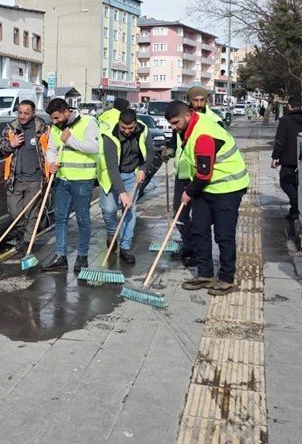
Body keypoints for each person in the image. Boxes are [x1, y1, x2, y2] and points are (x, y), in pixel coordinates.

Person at [165, 100, 249, 296]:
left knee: (223, 234)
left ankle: (226, 279)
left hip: (228, 187)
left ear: (188, 115)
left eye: (176, 123)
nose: (173, 128)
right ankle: (205, 274)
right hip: (207, 187)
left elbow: (204, 173)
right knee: (199, 229)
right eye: (171, 124)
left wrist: (188, 192)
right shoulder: (190, 126)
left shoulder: (203, 133)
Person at [163, 86, 222, 266]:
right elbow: (176, 141)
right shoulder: (181, 118)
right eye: (195, 100)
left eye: (201, 100)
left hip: (204, 176)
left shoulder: (214, 120)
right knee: (179, 213)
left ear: (206, 101)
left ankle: (199, 251)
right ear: (189, 102)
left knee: (200, 217)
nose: (198, 104)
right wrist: (169, 150)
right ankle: (189, 245)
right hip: (184, 171)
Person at [42, 97, 99, 273]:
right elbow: (51, 149)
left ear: (67, 112)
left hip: (82, 179)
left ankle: (82, 256)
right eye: (52, 118)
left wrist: (70, 140)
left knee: (82, 219)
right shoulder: (55, 128)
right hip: (62, 179)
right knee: (60, 218)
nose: (55, 121)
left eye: (57, 117)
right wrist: (51, 162)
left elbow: (94, 147)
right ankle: (60, 255)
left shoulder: (88, 122)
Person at [97, 108, 159, 263]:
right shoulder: (110, 136)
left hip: (133, 174)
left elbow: (151, 152)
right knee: (109, 210)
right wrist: (122, 192)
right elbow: (112, 167)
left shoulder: (143, 130)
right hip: (110, 176)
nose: (126, 131)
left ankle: (125, 247)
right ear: (119, 123)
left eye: (130, 128)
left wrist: (143, 169)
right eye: (123, 128)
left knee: (129, 210)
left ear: (135, 123)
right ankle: (112, 232)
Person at [0, 100, 50, 252]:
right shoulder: (10, 129)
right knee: (15, 213)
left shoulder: (43, 129)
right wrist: (10, 144)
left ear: (33, 113)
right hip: (15, 180)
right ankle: (21, 233)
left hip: (35, 179)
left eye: (26, 113)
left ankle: (27, 244)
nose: (22, 116)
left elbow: (51, 150)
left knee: (32, 214)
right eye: (20, 112)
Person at [271, 95, 302, 220]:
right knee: (300, 184)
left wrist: (275, 157)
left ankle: (297, 203)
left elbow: (280, 140)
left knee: (286, 183)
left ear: (289, 106)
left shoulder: (285, 120)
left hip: (288, 158)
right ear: (301, 106)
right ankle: (294, 211)